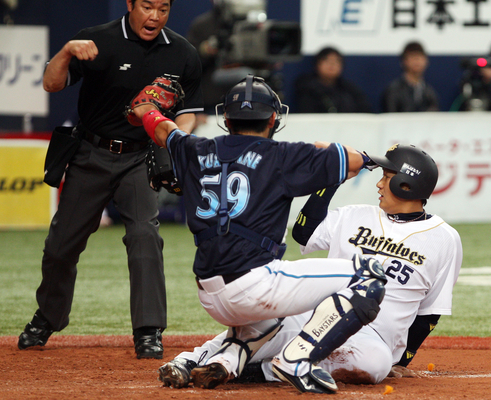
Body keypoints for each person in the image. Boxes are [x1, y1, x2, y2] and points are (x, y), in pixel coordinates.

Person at [130, 75, 387, 393]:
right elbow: (348, 161)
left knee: (271, 321)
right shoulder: (282, 155)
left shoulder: (194, 148)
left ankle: (200, 361)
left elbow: (163, 130)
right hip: (253, 284)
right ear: (274, 118)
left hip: (209, 292)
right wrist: (356, 155)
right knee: (369, 276)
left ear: (226, 118)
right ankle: (297, 359)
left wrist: (145, 110)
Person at [158, 143, 463, 386]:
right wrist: (329, 178)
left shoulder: (444, 238)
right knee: (270, 324)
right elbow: (304, 233)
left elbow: (430, 312)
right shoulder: (355, 214)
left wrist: (402, 360)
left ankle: (245, 369)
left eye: (386, 176)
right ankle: (190, 360)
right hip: (319, 316)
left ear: (406, 184)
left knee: (376, 365)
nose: (379, 184)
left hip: (374, 339)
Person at [17, 0, 203, 360]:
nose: (154, 16)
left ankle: (149, 331)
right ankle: (48, 317)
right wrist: (68, 51)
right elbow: (51, 83)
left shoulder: (183, 53)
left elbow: (188, 115)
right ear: (130, 3)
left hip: (140, 157)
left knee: (144, 238)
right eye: (147, 6)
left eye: (163, 8)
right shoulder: (96, 40)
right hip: (92, 154)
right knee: (60, 246)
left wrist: (173, 138)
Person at [186, 0, 240, 124]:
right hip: (211, 104)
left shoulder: (247, 25)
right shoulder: (201, 25)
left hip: (243, 101)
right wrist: (205, 50)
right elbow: (188, 66)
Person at [295, 46, 372, 113]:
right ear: (317, 64)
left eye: (336, 61)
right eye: (327, 60)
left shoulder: (349, 90)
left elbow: (364, 110)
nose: (332, 64)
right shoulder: (307, 89)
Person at [382, 41, 439, 112]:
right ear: (404, 61)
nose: (417, 60)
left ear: (426, 61)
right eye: (412, 56)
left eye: (420, 56)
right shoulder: (393, 91)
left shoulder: (429, 92)